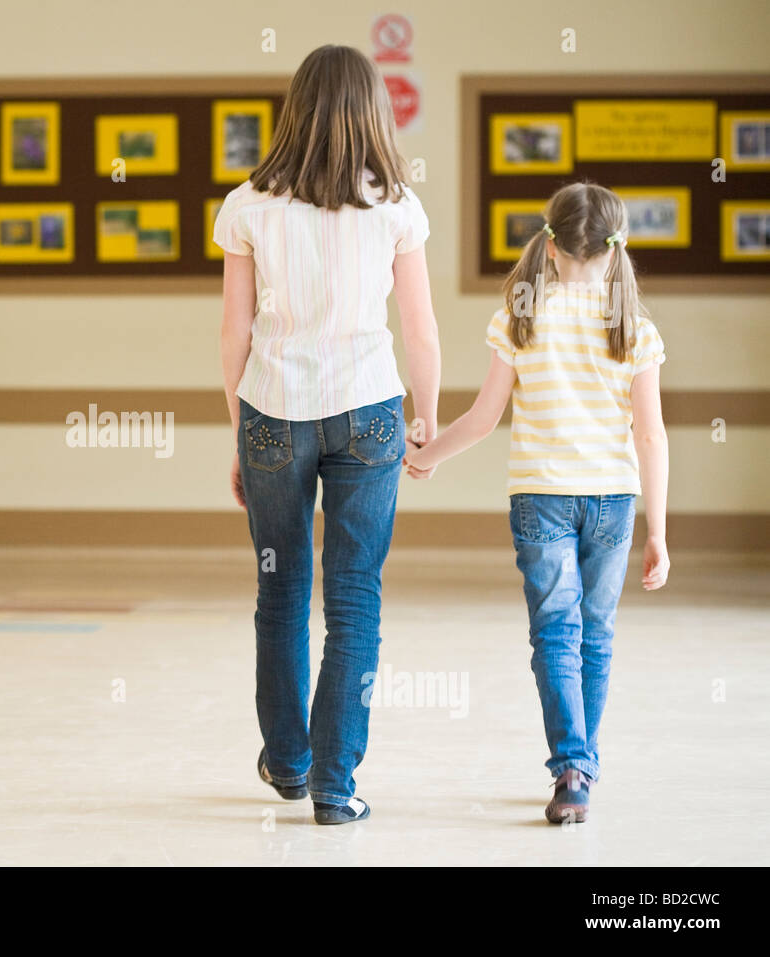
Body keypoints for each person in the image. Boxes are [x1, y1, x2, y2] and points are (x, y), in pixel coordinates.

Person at [215, 44, 441, 825]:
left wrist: (240, 430)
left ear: (295, 109)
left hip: (274, 410)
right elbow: (419, 327)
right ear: (373, 113)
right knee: (354, 598)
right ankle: (335, 787)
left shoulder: (248, 204)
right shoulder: (398, 207)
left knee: (279, 588)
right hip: (372, 411)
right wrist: (429, 415)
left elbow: (234, 333)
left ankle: (287, 760)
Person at [403, 182, 670, 824]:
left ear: (549, 249)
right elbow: (650, 434)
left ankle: (572, 765)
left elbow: (481, 418)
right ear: (614, 253)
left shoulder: (519, 320)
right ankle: (582, 762)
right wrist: (658, 530)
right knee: (595, 634)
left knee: (556, 632)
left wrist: (425, 456)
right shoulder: (634, 328)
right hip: (613, 500)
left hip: (541, 498)